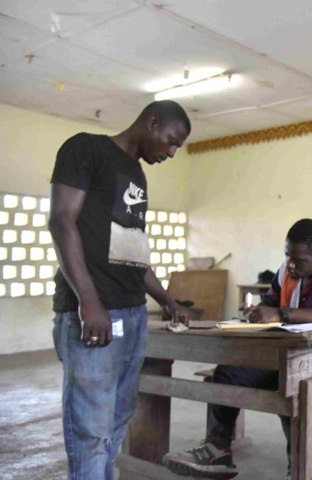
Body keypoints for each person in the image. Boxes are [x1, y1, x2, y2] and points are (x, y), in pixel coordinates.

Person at [49, 100, 192, 479]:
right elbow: (62, 222)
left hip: (133, 316)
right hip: (95, 314)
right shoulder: (86, 148)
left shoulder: (137, 175)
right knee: (91, 431)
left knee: (115, 425)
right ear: (152, 121)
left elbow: (133, 253)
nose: (171, 152)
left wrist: (166, 299)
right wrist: (89, 302)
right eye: (171, 141)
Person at [163, 218, 312, 480]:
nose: (291, 265)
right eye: (287, 256)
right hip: (283, 356)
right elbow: (269, 304)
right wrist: (256, 313)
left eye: (299, 260)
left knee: (298, 392)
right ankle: (217, 451)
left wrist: (282, 313)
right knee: (227, 374)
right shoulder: (285, 273)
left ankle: (302, 466)